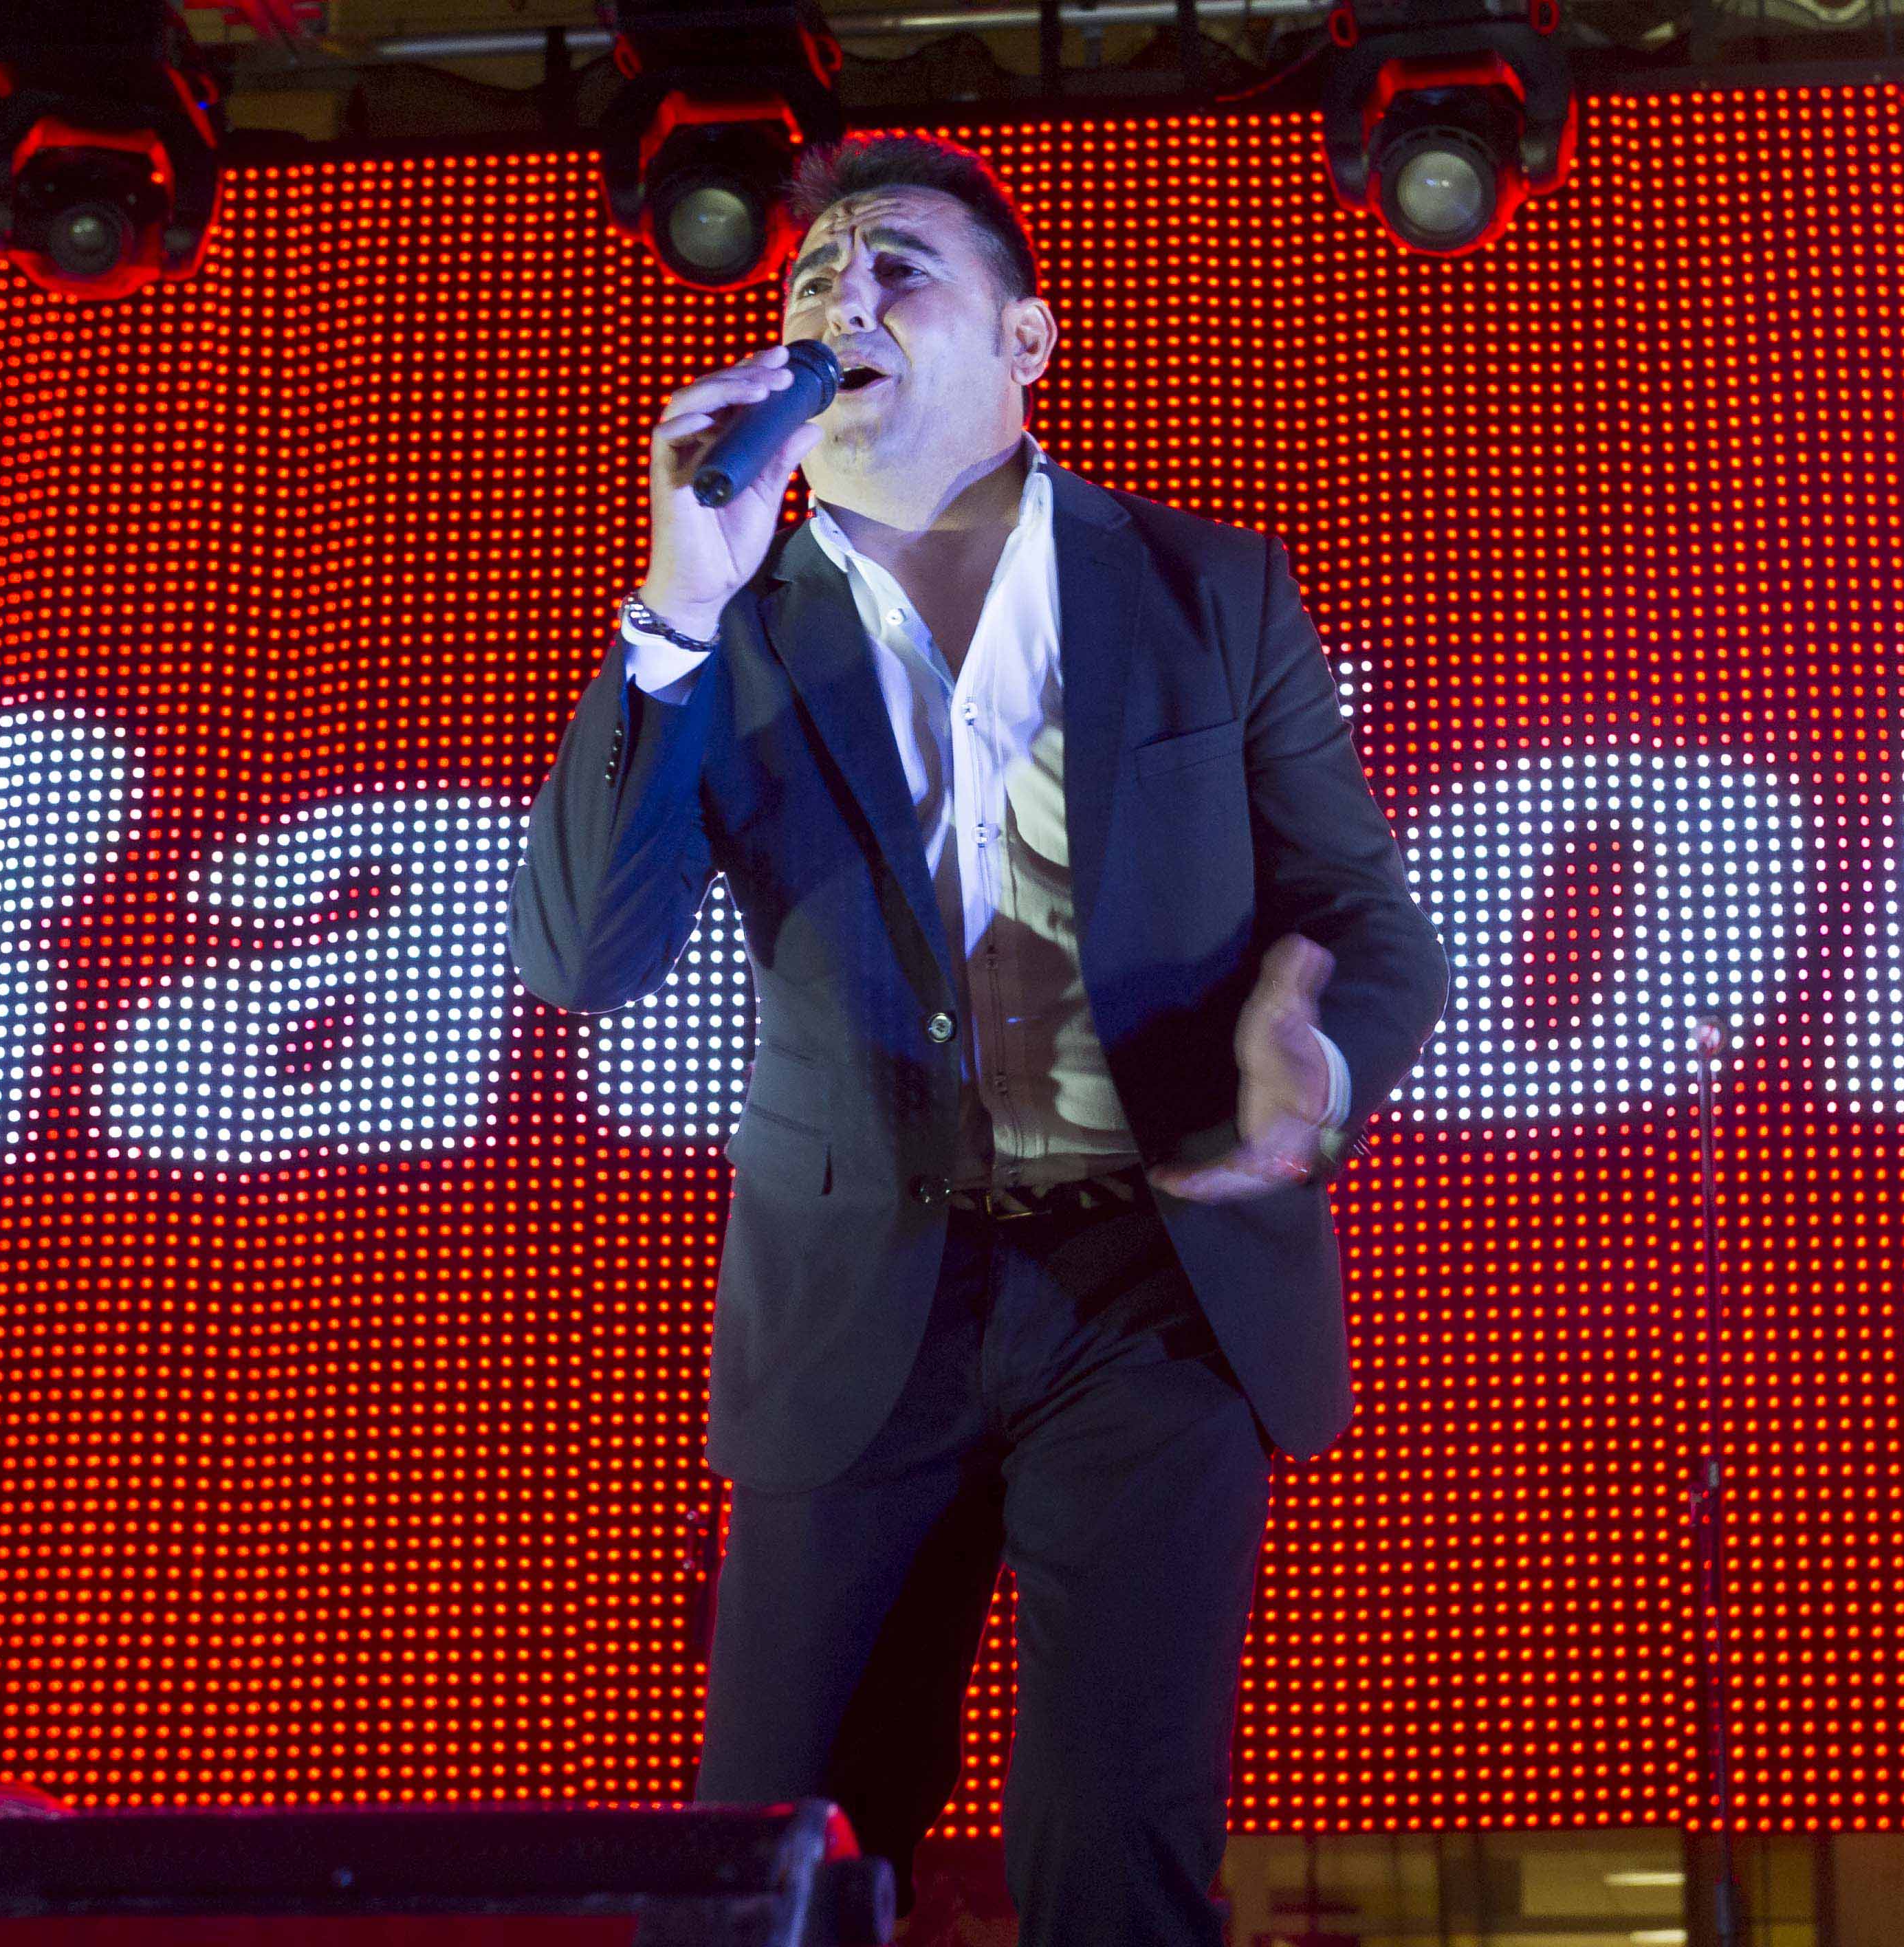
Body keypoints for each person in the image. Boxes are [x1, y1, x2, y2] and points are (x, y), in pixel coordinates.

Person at [512, 132, 1448, 1945]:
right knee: (776, 1868)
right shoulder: (733, 631)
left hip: (1153, 1283)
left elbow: (1366, 922)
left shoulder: (1206, 590)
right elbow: (579, 960)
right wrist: (678, 603)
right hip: (859, 1294)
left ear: (1026, 341)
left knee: (1112, 1861)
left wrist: (1312, 1069)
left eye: (896, 272)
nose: (839, 303)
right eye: (813, 281)